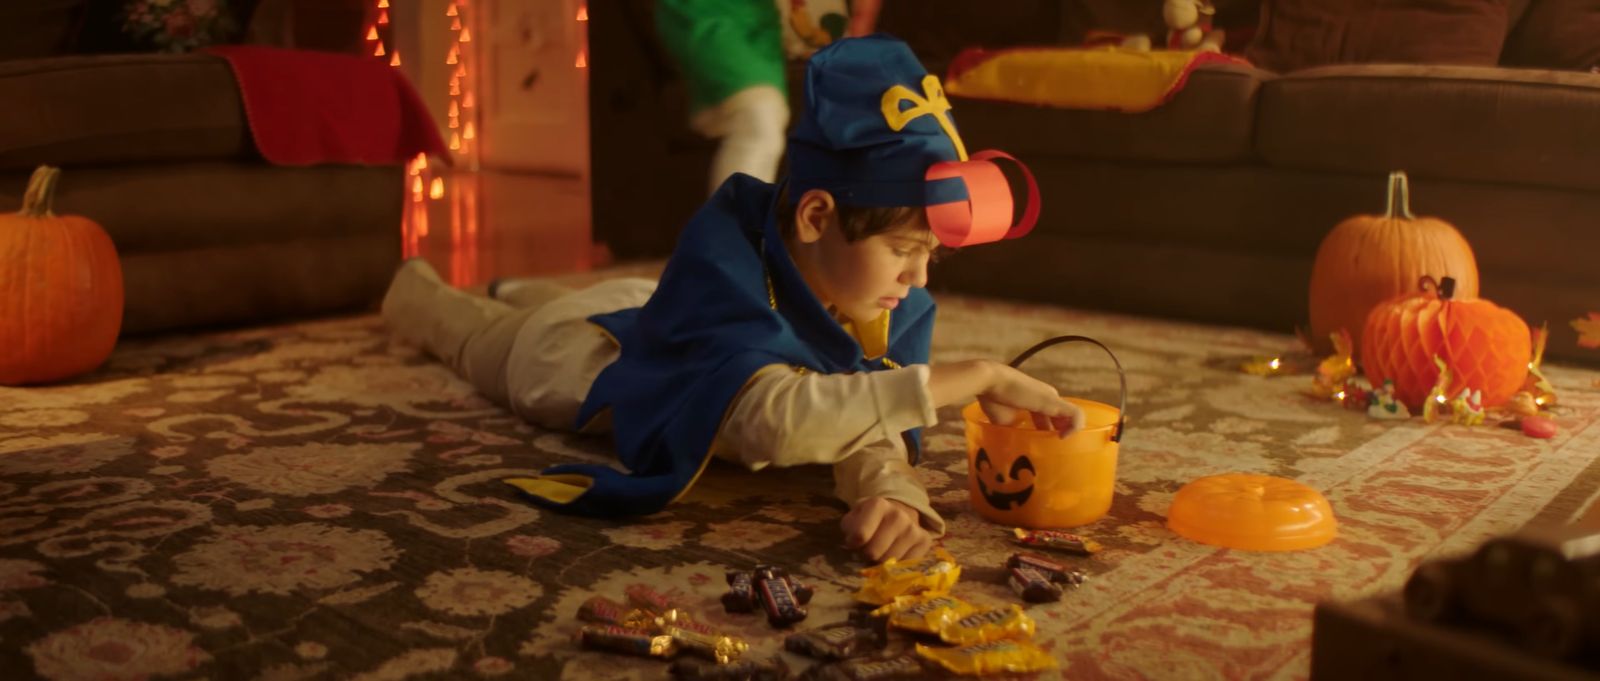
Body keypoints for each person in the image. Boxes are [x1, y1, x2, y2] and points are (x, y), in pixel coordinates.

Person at [381, 35, 1080, 563]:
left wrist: (890, 489)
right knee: (479, 336)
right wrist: (980, 374)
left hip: (651, 305)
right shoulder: (722, 263)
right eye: (905, 251)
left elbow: (863, 403)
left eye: (930, 254)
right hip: (573, 356)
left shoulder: (872, 294)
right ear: (814, 217)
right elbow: (780, 421)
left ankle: (522, 288)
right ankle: (415, 288)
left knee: (624, 294)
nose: (919, 279)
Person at [654, 0, 882, 194]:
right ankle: (729, 240)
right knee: (758, 122)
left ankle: (746, 235)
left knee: (767, 122)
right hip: (706, 11)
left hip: (759, 22)